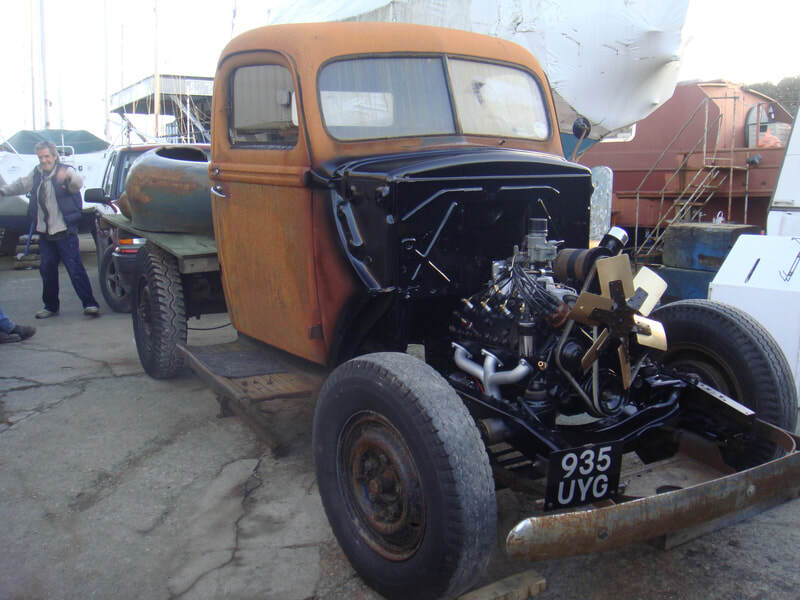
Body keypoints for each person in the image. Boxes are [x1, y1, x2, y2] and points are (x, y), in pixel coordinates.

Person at [0, 140, 100, 318]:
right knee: (47, 271)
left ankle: (90, 304)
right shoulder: (36, 174)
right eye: (41, 157)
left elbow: (77, 184)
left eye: (47, 156)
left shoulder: (65, 171)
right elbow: (21, 184)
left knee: (75, 269)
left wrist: (69, 178)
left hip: (64, 231)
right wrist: (3, 191)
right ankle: (50, 307)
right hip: (45, 233)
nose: (44, 160)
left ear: (54, 156)